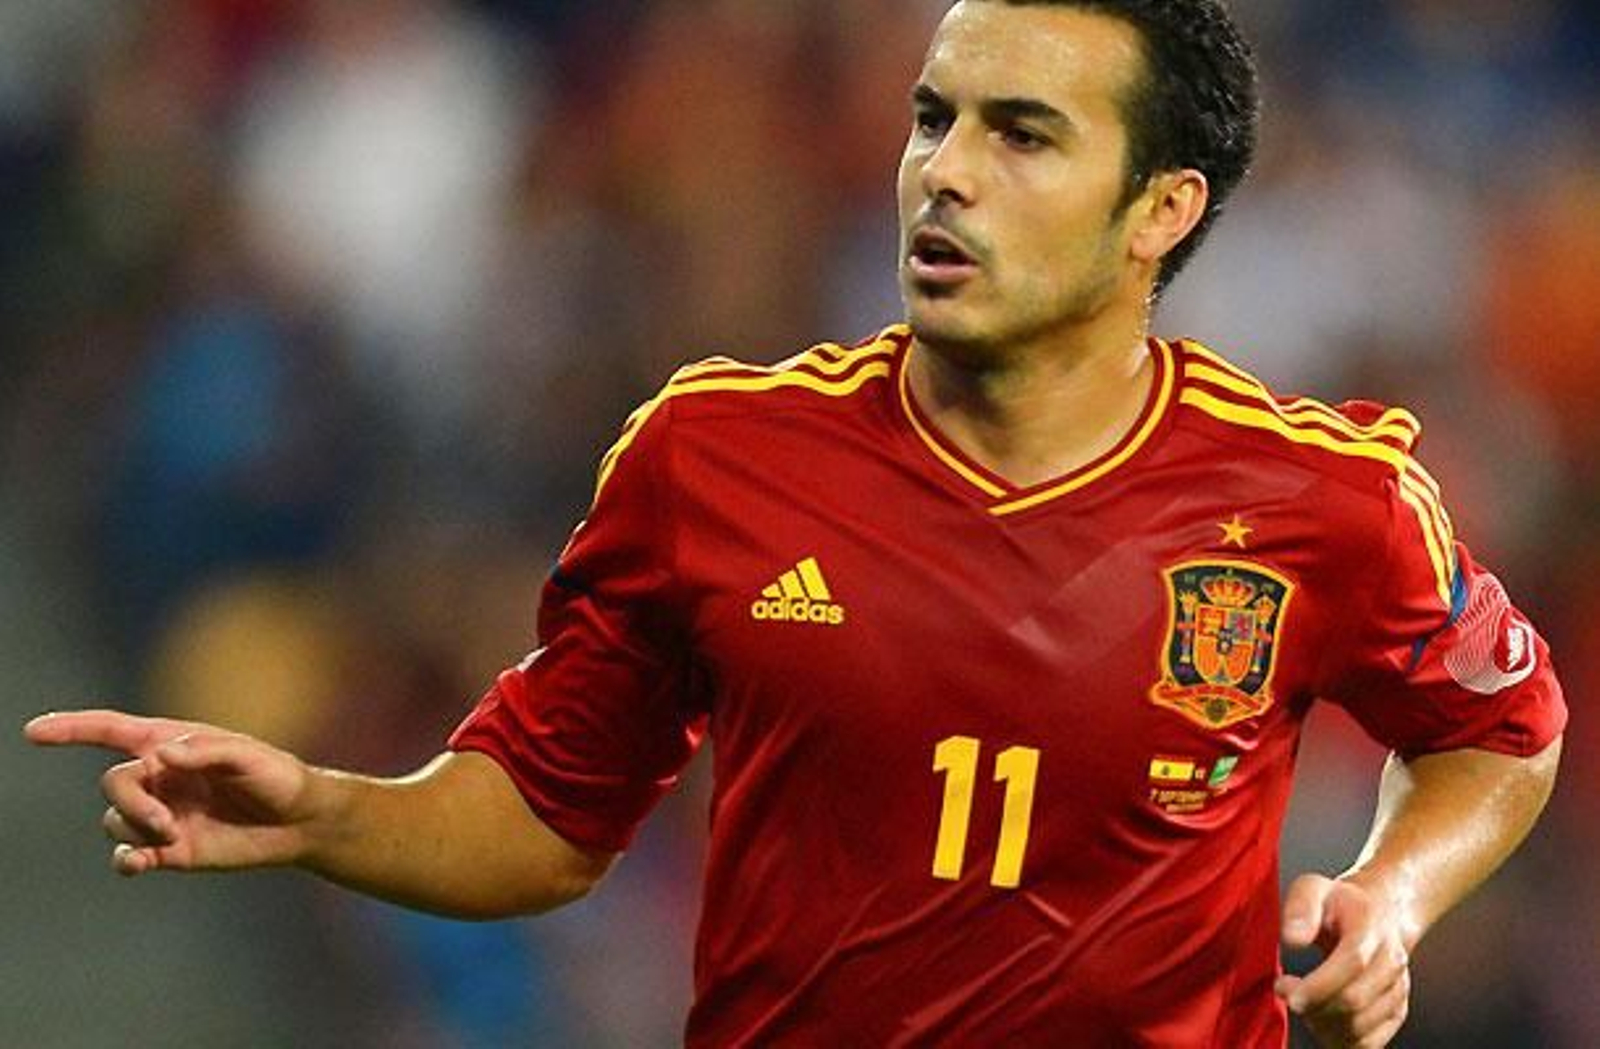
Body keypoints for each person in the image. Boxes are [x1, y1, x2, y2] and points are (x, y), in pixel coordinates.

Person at [25, 2, 1566, 1046]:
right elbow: (550, 818)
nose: (945, 173)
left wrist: (1390, 896)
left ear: (1160, 207)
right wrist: (324, 811)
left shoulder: (1319, 496)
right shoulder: (714, 457)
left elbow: (1505, 728)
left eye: (1023, 135)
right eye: (933, 118)